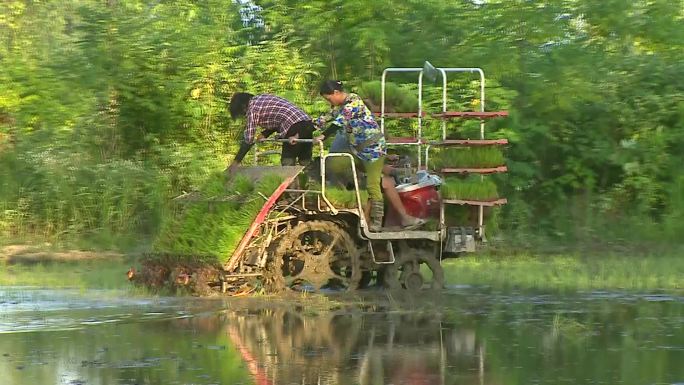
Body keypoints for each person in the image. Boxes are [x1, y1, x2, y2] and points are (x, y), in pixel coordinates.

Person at [314, 80, 386, 230]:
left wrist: (323, 136)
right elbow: (325, 118)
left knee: (373, 184)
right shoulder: (339, 107)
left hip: (374, 150)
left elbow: (339, 122)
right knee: (334, 165)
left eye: (329, 99)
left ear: (336, 93)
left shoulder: (354, 102)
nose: (329, 102)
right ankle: (347, 196)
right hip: (357, 151)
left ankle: (377, 220)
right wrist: (305, 125)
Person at [327, 131, 426, 229]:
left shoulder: (347, 131)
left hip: (343, 173)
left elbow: (363, 157)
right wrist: (395, 170)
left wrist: (386, 159)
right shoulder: (358, 134)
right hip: (345, 179)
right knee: (387, 182)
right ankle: (403, 218)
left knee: (384, 178)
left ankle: (382, 220)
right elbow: (368, 162)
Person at [226, 93, 315, 175]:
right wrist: (265, 134)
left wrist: (235, 163)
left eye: (242, 113)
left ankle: (291, 191)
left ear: (243, 107)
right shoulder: (261, 98)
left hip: (293, 126)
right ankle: (312, 187)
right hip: (307, 124)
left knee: (288, 163)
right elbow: (277, 118)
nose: (244, 115)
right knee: (305, 162)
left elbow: (249, 139)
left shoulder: (252, 109)